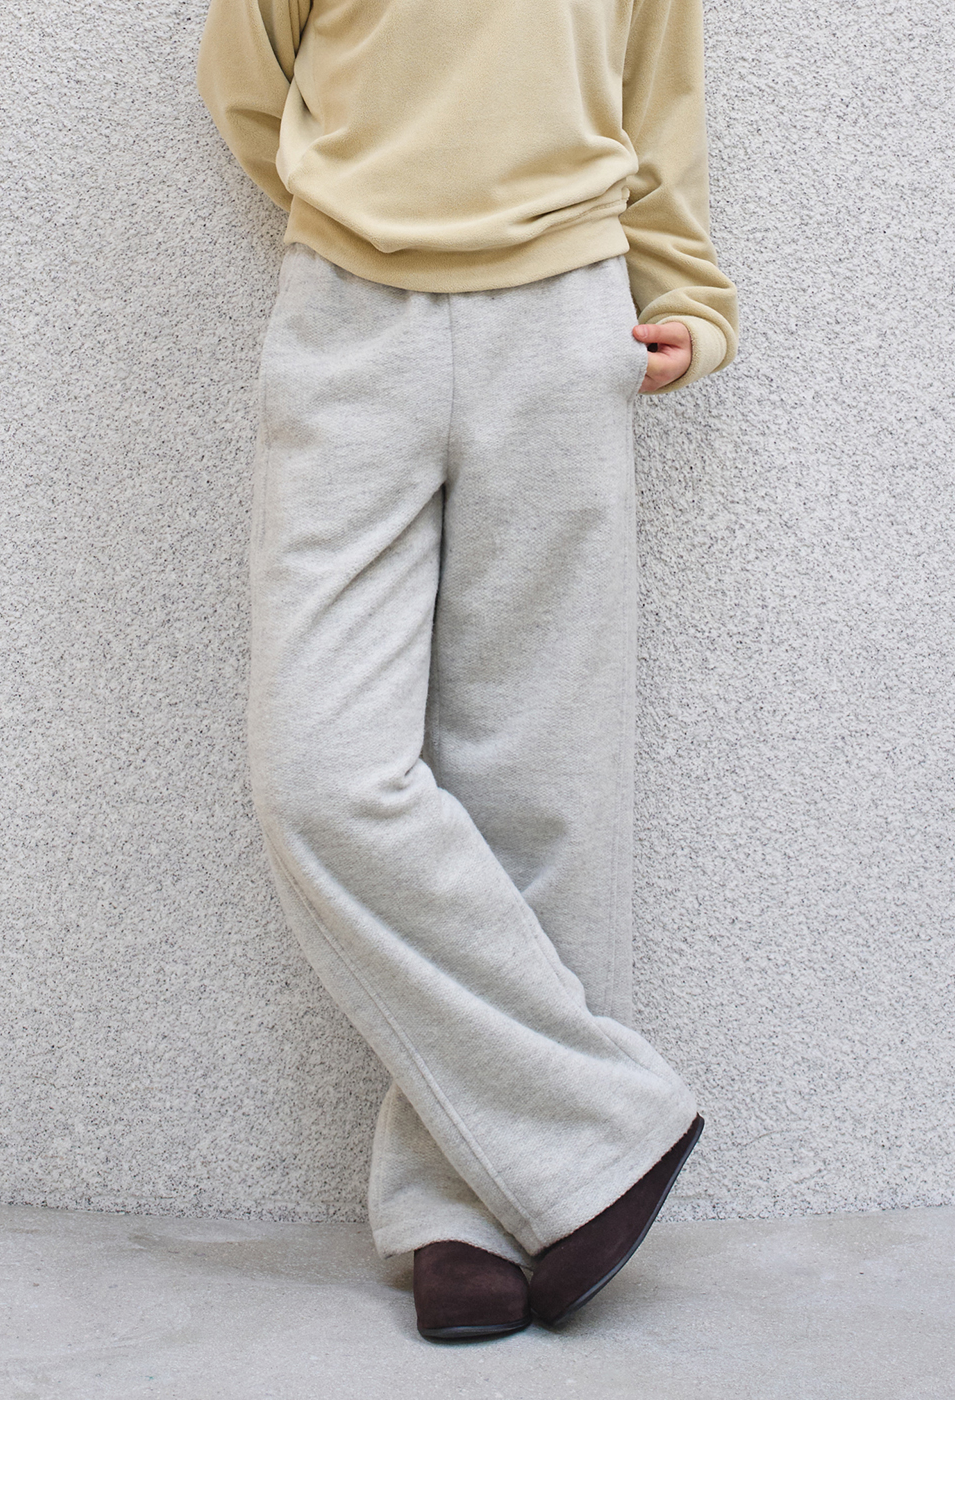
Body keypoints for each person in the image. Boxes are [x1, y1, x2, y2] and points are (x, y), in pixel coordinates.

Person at [197, 0, 737, 1342]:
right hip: (348, 319)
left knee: (540, 783)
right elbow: (247, 84)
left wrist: (688, 294)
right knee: (322, 776)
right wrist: (360, 210)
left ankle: (473, 1208)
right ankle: (606, 1133)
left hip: (563, 324)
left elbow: (656, 93)